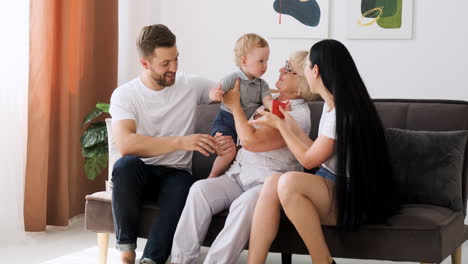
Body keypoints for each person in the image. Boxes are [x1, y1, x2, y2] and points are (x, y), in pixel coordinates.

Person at [247, 39, 400, 264]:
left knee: (288, 183)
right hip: (332, 187)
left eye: (306, 67)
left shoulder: (340, 113)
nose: (305, 72)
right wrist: (285, 120)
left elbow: (309, 161)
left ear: (315, 71)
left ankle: (323, 261)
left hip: (349, 197)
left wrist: (280, 126)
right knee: (272, 182)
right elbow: (316, 150)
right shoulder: (333, 107)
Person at [170, 51, 318, 264]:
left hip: (267, 185)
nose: (279, 70)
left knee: (244, 205)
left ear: (301, 83)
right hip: (239, 174)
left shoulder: (298, 116)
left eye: (288, 69)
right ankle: (180, 261)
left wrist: (235, 105)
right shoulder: (268, 99)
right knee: (199, 190)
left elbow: (252, 142)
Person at [109, 24, 229, 264]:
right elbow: (126, 144)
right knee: (125, 166)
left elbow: (228, 89)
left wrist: (223, 97)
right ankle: (126, 250)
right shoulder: (125, 95)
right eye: (165, 64)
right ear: (145, 64)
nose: (173, 68)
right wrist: (180, 142)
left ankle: (151, 260)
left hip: (176, 175)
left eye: (176, 59)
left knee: (184, 186)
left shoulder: (190, 84)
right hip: (141, 172)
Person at [208, 33, 273, 178]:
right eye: (261, 61)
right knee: (228, 150)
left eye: (267, 61)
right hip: (226, 121)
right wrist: (216, 95)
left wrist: (276, 105)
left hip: (245, 125)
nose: (265, 66)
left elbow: (267, 99)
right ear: (244, 61)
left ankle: (233, 177)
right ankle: (212, 175)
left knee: (244, 152)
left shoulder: (262, 84)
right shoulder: (232, 79)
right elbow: (214, 92)